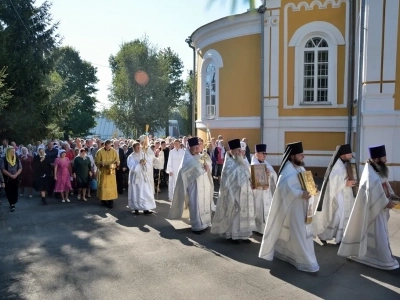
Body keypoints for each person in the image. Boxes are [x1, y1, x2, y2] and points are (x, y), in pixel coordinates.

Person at [259, 141, 319, 273]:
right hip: (294, 207)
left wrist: (313, 189)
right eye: (300, 155)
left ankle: (292, 255)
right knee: (300, 234)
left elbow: (307, 184)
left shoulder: (301, 168)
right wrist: (299, 193)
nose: (303, 157)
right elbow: (283, 187)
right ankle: (306, 262)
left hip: (304, 208)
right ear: (292, 156)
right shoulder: (287, 169)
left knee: (302, 234)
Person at [338, 145, 399, 270]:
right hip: (373, 209)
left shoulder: (377, 170)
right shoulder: (370, 174)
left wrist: (392, 195)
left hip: (378, 208)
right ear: (376, 160)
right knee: (379, 235)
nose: (386, 160)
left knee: (378, 235)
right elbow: (374, 190)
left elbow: (385, 184)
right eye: (384, 158)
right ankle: (383, 260)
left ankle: (372, 256)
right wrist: (386, 202)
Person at [211, 139, 256, 243]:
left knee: (244, 214)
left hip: (245, 193)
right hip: (234, 195)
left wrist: (252, 183)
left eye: (240, 150)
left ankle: (244, 235)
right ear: (232, 151)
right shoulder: (228, 164)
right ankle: (233, 235)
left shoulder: (243, 162)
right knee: (235, 215)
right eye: (238, 150)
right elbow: (228, 182)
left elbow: (248, 176)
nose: (240, 152)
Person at [168, 137, 213, 234]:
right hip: (194, 186)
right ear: (190, 147)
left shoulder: (199, 156)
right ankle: (197, 225)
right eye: (195, 148)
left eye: (198, 147)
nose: (197, 149)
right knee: (195, 204)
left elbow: (207, 165)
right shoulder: (187, 158)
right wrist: (202, 169)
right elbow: (189, 170)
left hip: (203, 184)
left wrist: (207, 165)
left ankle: (205, 223)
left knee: (203, 203)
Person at [313, 144, 356, 245]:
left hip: (345, 193)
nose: (351, 155)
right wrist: (345, 183)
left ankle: (340, 238)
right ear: (342, 155)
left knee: (342, 216)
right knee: (337, 216)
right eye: (349, 153)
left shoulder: (345, 164)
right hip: (337, 194)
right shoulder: (337, 165)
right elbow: (332, 181)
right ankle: (323, 235)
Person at [251, 144, 277, 235]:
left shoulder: (267, 164)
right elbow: (251, 180)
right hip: (258, 193)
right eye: (263, 153)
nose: (265, 155)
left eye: (266, 153)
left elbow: (275, 175)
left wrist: (270, 174)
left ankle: (265, 228)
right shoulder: (253, 165)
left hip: (267, 192)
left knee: (267, 210)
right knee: (258, 210)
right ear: (256, 154)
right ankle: (258, 229)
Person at [127, 141, 155, 215]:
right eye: (137, 147)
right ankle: (136, 208)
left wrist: (145, 163)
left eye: (139, 147)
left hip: (143, 176)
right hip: (135, 177)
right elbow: (131, 167)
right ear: (134, 148)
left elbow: (149, 164)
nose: (139, 148)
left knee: (145, 192)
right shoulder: (131, 156)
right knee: (136, 192)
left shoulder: (143, 154)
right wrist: (139, 164)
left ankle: (145, 208)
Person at [95, 140, 120, 208]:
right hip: (103, 172)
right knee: (104, 186)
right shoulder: (100, 152)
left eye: (110, 146)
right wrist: (100, 163)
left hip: (111, 172)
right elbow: (96, 160)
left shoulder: (114, 151)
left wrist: (117, 163)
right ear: (105, 145)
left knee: (111, 186)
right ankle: (103, 199)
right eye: (107, 146)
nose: (108, 148)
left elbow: (117, 160)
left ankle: (111, 200)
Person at [0, 147, 22, 211]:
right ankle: (11, 203)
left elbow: (20, 168)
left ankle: (13, 202)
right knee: (9, 191)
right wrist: (10, 175)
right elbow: (2, 169)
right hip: (7, 178)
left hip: (15, 178)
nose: (13, 153)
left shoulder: (17, 159)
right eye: (12, 151)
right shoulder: (3, 159)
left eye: (14, 151)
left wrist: (16, 175)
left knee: (15, 191)